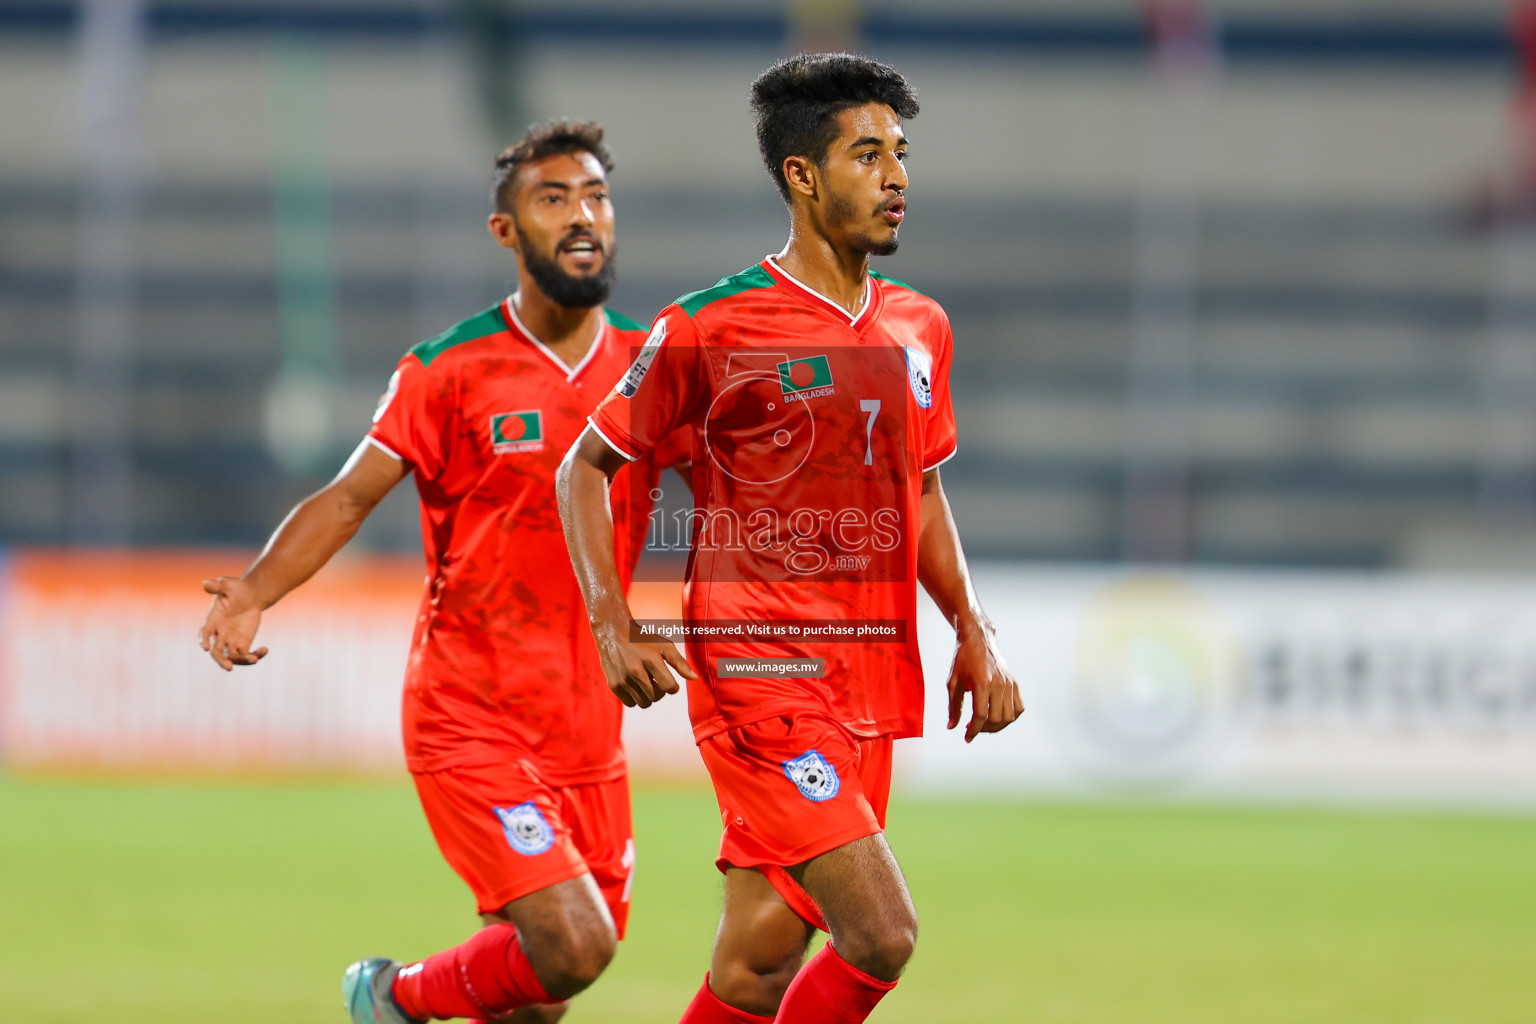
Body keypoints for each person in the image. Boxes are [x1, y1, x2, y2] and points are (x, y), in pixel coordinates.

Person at [558, 54, 1023, 1024]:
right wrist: (613, 620)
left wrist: (972, 627)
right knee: (882, 932)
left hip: (869, 675)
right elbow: (585, 468)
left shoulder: (918, 327)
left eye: (901, 153)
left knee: (760, 959)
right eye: (867, 155)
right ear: (802, 176)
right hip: (759, 675)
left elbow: (924, 491)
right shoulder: (712, 326)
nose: (897, 177)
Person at [198, 120, 686, 1024]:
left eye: (596, 197)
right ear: (507, 232)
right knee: (575, 943)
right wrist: (256, 590)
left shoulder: (651, 368)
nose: (583, 218)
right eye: (554, 200)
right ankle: (391, 997)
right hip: (472, 713)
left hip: (588, 722)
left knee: (540, 991)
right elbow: (348, 498)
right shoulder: (447, 370)